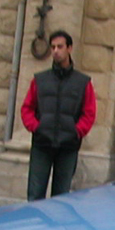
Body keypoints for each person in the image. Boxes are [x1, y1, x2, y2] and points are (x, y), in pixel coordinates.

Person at [20, 30, 97, 201]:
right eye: (53, 47)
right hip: (42, 143)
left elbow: (89, 112)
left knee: (61, 197)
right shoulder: (40, 80)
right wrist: (36, 127)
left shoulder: (83, 82)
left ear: (69, 48)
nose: (55, 51)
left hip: (68, 145)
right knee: (35, 194)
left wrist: (76, 131)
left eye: (60, 47)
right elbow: (27, 108)